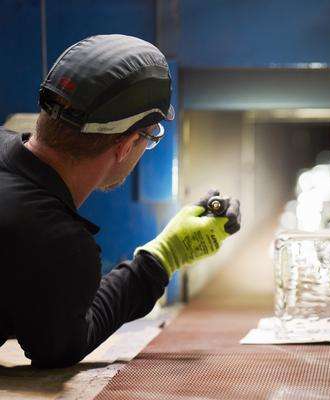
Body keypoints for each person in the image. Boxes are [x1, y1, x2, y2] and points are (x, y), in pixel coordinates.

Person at [0, 34, 241, 368]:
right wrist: (165, 256)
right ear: (127, 145)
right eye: (151, 136)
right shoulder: (55, 241)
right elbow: (58, 346)